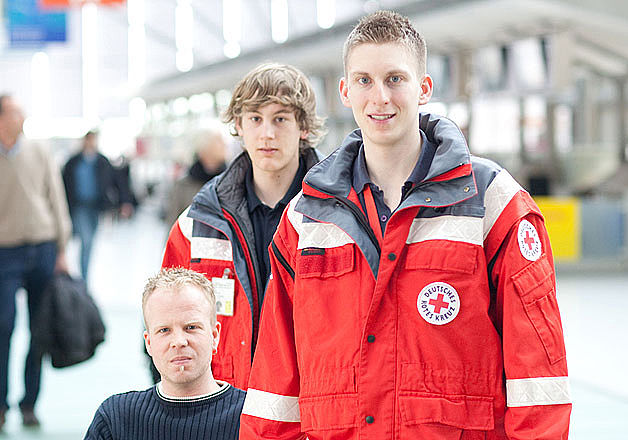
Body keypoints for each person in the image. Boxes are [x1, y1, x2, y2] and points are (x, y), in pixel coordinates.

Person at [240, 11, 572, 440]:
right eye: (364, 81)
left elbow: (538, 378)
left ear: (424, 88)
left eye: (395, 78)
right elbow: (275, 382)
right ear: (344, 91)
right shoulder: (306, 219)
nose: (380, 97)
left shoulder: (493, 202)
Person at [161, 62, 325, 391]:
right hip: (224, 403)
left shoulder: (337, 218)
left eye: (280, 118)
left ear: (302, 127)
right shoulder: (197, 225)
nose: (267, 133)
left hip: (310, 403)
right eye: (255, 119)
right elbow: (166, 316)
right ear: (239, 126)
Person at [84, 267, 245, 439]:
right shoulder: (115, 420)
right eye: (164, 330)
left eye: (191, 327)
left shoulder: (251, 416)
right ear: (149, 343)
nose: (178, 342)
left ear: (214, 336)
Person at [0, 94, 71, 429]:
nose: (22, 116)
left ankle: (29, 403)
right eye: (15, 111)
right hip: (4, 252)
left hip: (42, 247)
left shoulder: (38, 151)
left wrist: (61, 248)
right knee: (3, 327)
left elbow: (55, 196)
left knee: (38, 330)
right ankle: (0, 403)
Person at [62, 130, 133, 282]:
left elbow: (117, 182)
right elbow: (63, 185)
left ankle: (83, 274)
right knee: (86, 240)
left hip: (95, 208)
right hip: (79, 207)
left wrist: (125, 202)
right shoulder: (73, 162)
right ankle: (83, 279)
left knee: (90, 241)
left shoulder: (102, 162)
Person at [165, 128, 229, 228]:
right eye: (219, 141)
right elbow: (173, 225)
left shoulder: (232, 182)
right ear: (206, 149)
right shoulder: (182, 186)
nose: (225, 145)